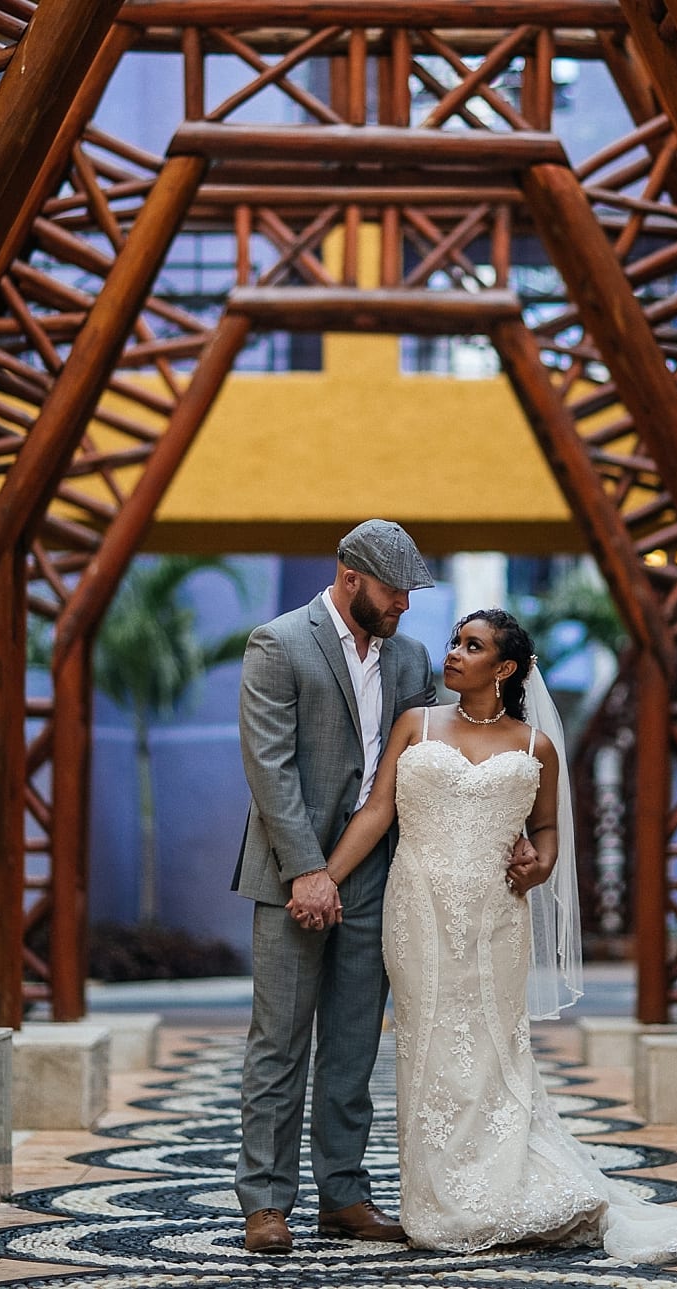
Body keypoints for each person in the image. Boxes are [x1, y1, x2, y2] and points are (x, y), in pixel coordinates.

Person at [324, 608, 677, 1262]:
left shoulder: (536, 747)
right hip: (416, 910)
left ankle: (497, 1188)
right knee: (428, 1050)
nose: (453, 653)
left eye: (471, 646)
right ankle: (438, 1199)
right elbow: (378, 809)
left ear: (504, 668)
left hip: (498, 917)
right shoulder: (415, 724)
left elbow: (551, 830)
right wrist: (324, 879)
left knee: (494, 1053)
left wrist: (542, 866)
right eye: (455, 641)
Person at [230, 519, 440, 1256]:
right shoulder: (278, 642)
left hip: (379, 876)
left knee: (353, 1046)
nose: (405, 605)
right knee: (279, 1043)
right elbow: (269, 768)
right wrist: (308, 869)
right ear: (351, 577)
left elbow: (430, 762)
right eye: (394, 589)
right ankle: (265, 1203)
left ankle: (343, 1193)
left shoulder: (412, 660)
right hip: (292, 873)